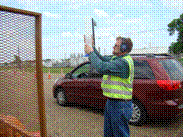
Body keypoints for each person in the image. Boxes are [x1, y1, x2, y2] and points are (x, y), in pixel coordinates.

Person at [84, 36, 134, 137]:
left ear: (123, 48)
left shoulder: (123, 63)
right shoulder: (116, 59)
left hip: (120, 105)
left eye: (116, 45)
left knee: (120, 134)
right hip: (112, 102)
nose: (113, 46)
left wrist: (91, 53)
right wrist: (93, 48)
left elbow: (101, 67)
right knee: (109, 134)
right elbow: (102, 59)